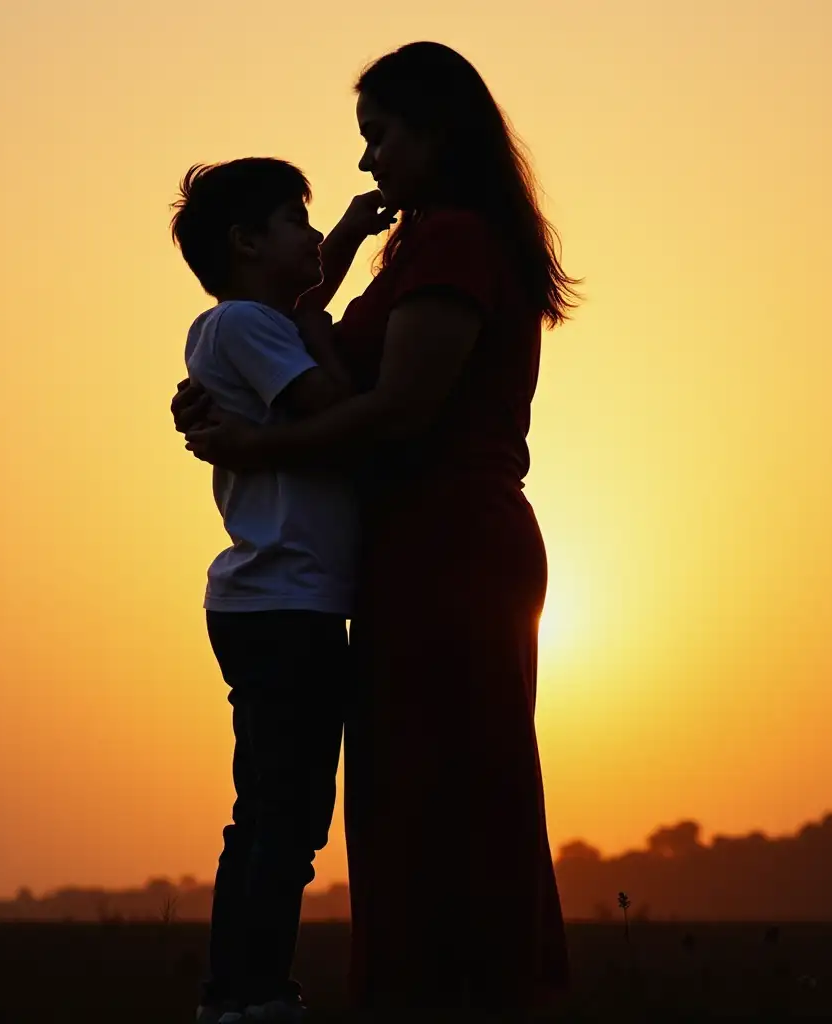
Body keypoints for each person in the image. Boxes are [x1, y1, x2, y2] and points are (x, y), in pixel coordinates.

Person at [173, 41, 579, 1019]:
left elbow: (397, 409)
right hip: (405, 556)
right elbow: (312, 346)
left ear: (434, 130)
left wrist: (250, 445)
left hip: (452, 548)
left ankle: (467, 994)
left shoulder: (453, 243)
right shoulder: (418, 242)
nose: (367, 164)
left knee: (449, 791)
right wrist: (245, 381)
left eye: (379, 137)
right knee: (405, 797)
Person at [169, 157, 388, 1024]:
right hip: (282, 605)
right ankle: (251, 994)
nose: (310, 236)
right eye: (293, 220)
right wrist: (334, 342)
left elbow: (304, 293)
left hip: (276, 603)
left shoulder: (246, 322)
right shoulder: (249, 329)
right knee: (285, 820)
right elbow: (327, 401)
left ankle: (239, 990)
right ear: (247, 241)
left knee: (268, 813)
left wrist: (344, 232)